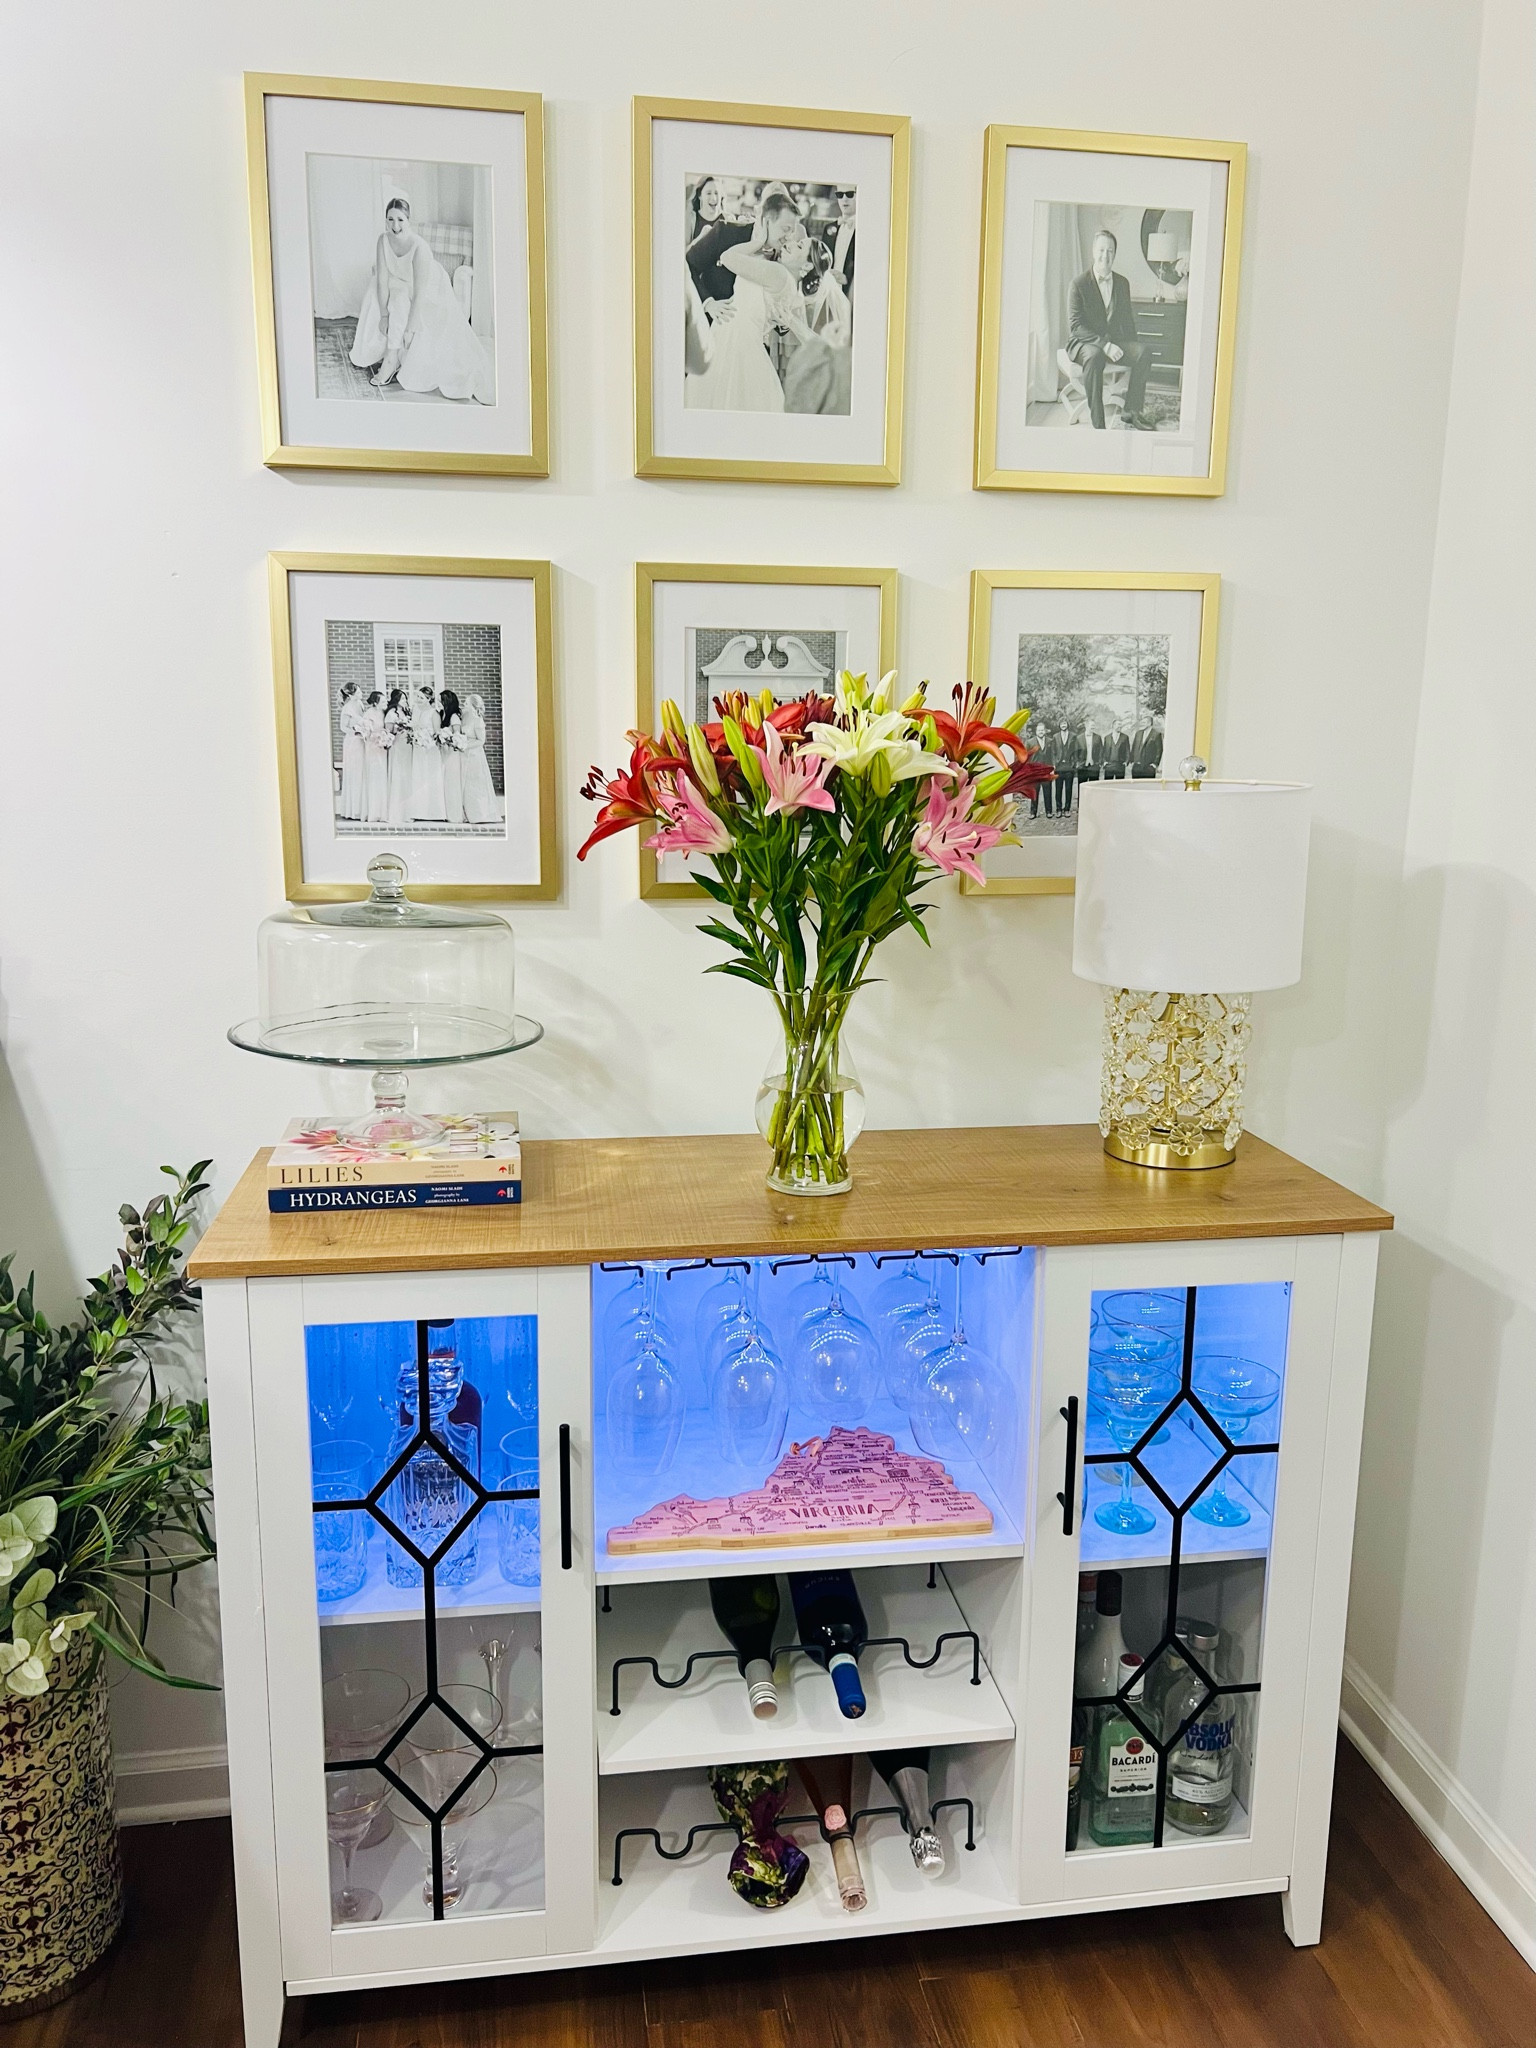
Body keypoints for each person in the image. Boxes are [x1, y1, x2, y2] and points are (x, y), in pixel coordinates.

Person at [349, 196, 495, 404]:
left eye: (400, 219)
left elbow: (419, 291)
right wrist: (383, 315)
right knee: (377, 291)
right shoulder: (383, 240)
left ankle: (391, 360)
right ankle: (386, 353)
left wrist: (410, 327)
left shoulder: (420, 247)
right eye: (390, 219)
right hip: (398, 282)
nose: (395, 225)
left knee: (400, 302)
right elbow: (382, 280)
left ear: (408, 220)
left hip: (428, 289)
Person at [685, 192, 803, 412]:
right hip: (714, 333)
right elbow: (687, 265)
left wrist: (781, 323)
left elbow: (777, 310)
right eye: (786, 230)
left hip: (748, 343)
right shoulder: (726, 232)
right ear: (766, 221)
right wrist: (708, 303)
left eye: (792, 232)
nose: (789, 238)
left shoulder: (780, 256)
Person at [1067, 228, 1153, 431]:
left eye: (1110, 251)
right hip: (1084, 343)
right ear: (1093, 251)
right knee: (1095, 355)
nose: (1105, 255)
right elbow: (1076, 325)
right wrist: (1105, 346)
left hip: (1114, 339)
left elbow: (1127, 320)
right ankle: (1099, 424)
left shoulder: (1122, 283)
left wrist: (1134, 347)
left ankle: (1131, 412)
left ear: (1115, 254)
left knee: (1144, 352)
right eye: (1102, 250)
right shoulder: (1078, 284)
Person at [685, 176, 753, 309]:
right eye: (709, 193)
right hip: (699, 289)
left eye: (716, 193)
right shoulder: (691, 219)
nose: (713, 198)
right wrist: (702, 238)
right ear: (700, 196)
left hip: (725, 293)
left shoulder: (729, 220)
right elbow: (684, 256)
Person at [461, 694, 501, 823]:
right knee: (467, 785)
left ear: (473, 706)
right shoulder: (465, 719)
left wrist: (465, 745)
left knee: (476, 784)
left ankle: (481, 814)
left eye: (466, 704)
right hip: (465, 754)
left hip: (474, 755)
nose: (464, 706)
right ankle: (469, 813)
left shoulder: (478, 720)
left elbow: (481, 741)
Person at [410, 680, 446, 821]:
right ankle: (418, 812)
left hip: (430, 750)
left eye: (421, 698)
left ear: (429, 699)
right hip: (418, 749)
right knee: (418, 777)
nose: (418, 700)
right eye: (417, 696)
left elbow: (437, 732)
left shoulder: (433, 713)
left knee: (430, 778)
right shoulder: (415, 710)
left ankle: (435, 812)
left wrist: (427, 739)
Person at [383, 689, 414, 824]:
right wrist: (399, 729)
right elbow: (388, 732)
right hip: (398, 746)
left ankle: (409, 809)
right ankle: (398, 811)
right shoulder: (391, 714)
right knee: (399, 775)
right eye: (402, 699)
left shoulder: (407, 712)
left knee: (407, 775)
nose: (405, 701)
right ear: (396, 699)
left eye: (405, 699)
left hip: (407, 746)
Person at [336, 682, 366, 820]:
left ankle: (363, 807)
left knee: (362, 772)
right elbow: (343, 727)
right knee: (354, 772)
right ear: (350, 694)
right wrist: (355, 731)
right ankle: (353, 810)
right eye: (358, 692)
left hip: (362, 741)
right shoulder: (347, 708)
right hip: (353, 742)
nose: (361, 694)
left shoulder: (360, 704)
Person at [361, 691, 389, 823]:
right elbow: (366, 733)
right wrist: (378, 736)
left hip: (382, 747)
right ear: (375, 703)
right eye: (383, 701)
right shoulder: (369, 714)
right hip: (373, 748)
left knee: (382, 777)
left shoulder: (383, 713)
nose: (386, 703)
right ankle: (374, 812)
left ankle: (383, 811)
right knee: (375, 778)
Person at [440, 689, 466, 826]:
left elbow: (457, 735)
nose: (440, 704)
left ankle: (454, 814)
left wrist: (446, 738)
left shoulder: (454, 717)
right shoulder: (444, 714)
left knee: (452, 782)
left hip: (452, 753)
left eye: (442, 701)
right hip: (445, 751)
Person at [829, 184, 856, 313]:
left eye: (850, 194)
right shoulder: (829, 229)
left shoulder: (866, 231)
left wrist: (847, 279)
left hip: (852, 298)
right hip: (830, 297)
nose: (844, 199)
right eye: (840, 195)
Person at [1129, 712, 1165, 778]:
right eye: (1142, 722)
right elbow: (1134, 747)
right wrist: (1132, 761)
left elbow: (1159, 750)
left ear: (1149, 723)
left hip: (1149, 768)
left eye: (1144, 722)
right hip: (1136, 767)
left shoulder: (1156, 734)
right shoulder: (1138, 733)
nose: (1142, 724)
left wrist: (1154, 764)